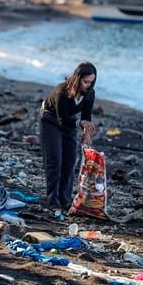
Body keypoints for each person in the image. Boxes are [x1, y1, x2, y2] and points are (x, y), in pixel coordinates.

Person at [40, 62, 97, 219]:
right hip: (51, 119)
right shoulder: (62, 92)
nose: (88, 85)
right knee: (55, 161)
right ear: (78, 78)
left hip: (70, 122)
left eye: (91, 82)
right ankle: (53, 202)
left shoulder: (89, 93)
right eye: (86, 81)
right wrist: (80, 124)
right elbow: (62, 119)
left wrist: (87, 134)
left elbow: (86, 116)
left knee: (70, 160)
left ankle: (65, 200)